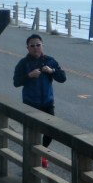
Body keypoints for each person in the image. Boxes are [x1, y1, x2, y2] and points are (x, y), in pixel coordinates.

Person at [13, 34, 67, 162]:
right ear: (28, 48)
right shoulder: (23, 63)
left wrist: (52, 71)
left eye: (38, 45)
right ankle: (31, 159)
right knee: (32, 133)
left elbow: (63, 78)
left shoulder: (50, 61)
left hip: (47, 103)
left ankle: (40, 153)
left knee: (50, 131)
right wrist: (29, 75)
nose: (35, 48)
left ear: (42, 45)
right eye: (32, 46)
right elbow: (16, 82)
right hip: (30, 103)